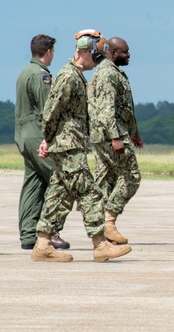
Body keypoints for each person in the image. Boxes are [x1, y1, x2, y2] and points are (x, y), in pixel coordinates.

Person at [31, 32, 131, 263]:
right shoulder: (69, 77)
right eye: (95, 56)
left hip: (69, 144)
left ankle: (43, 245)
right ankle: (100, 244)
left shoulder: (77, 77)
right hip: (68, 146)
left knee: (59, 195)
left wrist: (50, 141)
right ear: (83, 53)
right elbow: (50, 112)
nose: (97, 62)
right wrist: (48, 139)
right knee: (90, 192)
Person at [15, 34, 69, 251]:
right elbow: (49, 109)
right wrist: (51, 139)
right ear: (49, 51)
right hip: (38, 133)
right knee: (59, 180)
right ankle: (51, 232)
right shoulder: (41, 75)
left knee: (34, 183)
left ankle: (28, 234)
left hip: (23, 134)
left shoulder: (24, 73)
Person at [88, 36, 143, 244]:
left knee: (106, 181)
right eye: (124, 52)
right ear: (112, 53)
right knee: (131, 176)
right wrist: (116, 138)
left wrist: (134, 133)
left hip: (108, 134)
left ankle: (100, 231)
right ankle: (109, 222)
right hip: (112, 135)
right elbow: (106, 109)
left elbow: (125, 109)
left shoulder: (112, 72)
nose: (128, 55)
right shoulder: (108, 74)